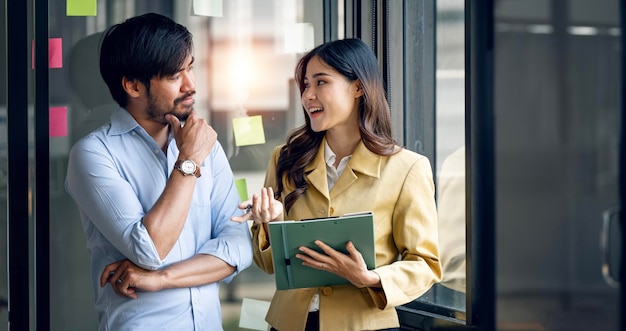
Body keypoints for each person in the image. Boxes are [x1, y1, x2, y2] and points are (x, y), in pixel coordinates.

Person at [231, 38, 442, 331]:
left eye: (321, 82)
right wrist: (273, 222)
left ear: (358, 87)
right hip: (290, 324)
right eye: (305, 85)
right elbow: (268, 266)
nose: (308, 95)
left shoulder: (408, 168)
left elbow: (425, 263)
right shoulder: (285, 159)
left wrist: (369, 278)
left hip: (365, 324)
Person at [65, 13, 253, 330]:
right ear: (133, 85)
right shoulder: (94, 154)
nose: (191, 84)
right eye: (173, 75)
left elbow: (239, 247)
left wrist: (163, 278)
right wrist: (189, 162)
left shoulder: (205, 142)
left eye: (190, 68)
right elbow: (150, 250)